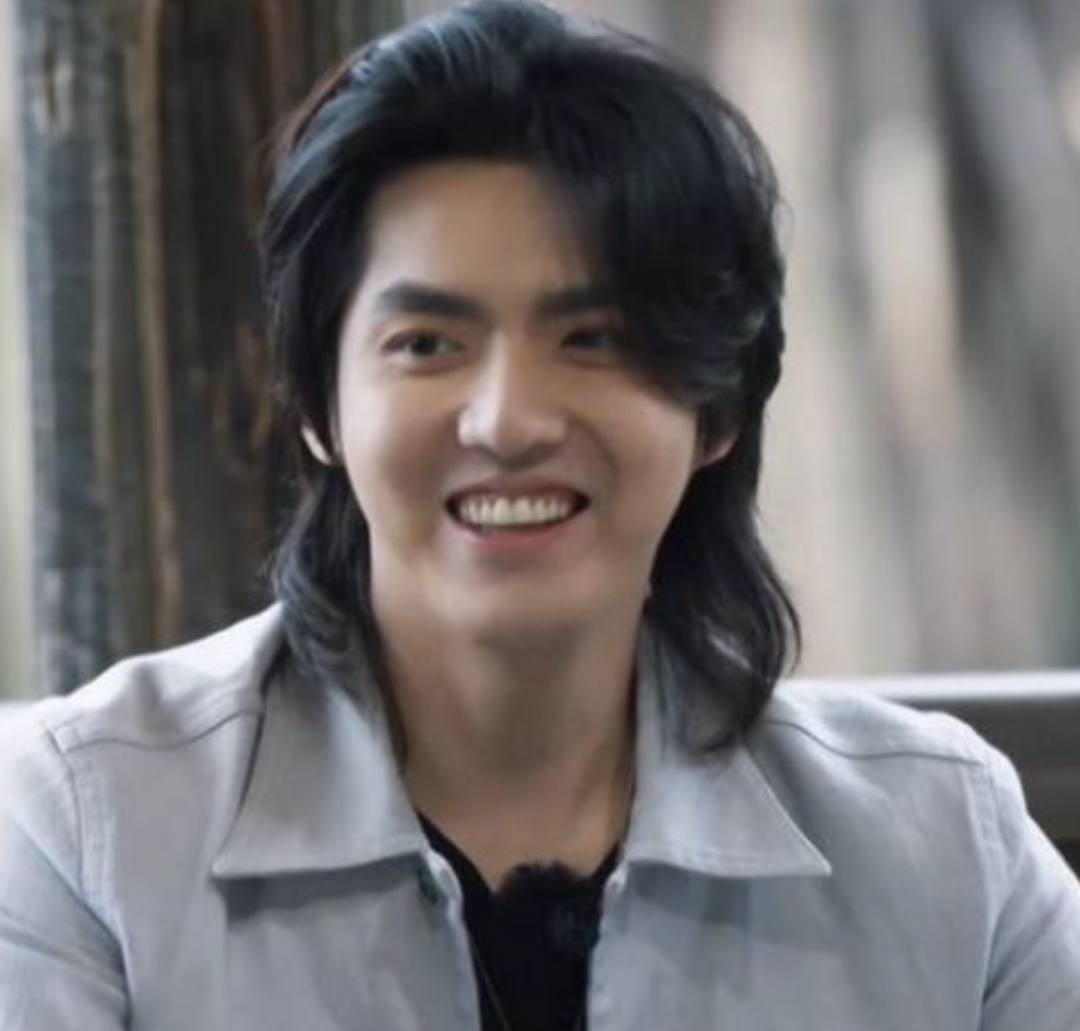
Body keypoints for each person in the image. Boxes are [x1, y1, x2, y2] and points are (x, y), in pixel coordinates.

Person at [2, 1, 1079, 1028]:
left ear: (716, 408)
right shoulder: (85, 825)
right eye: (428, 344)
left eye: (592, 339)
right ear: (319, 408)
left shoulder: (944, 844)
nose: (507, 420)